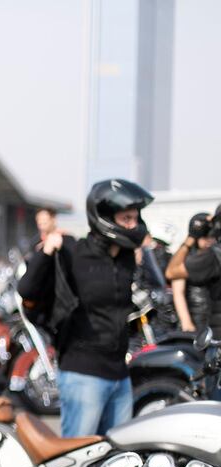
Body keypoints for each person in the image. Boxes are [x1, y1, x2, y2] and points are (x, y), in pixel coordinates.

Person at [18, 179, 153, 437]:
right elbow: (27, 290)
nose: (133, 225)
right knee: (77, 457)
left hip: (119, 374)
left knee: (117, 460)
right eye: (126, 218)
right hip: (84, 375)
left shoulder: (126, 258)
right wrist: (46, 252)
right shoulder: (74, 252)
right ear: (104, 217)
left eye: (135, 217)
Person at [166, 208, 221, 338]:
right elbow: (177, 292)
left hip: (211, 318)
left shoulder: (213, 256)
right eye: (204, 236)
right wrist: (186, 322)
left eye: (211, 236)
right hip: (196, 317)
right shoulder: (186, 259)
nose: (208, 240)